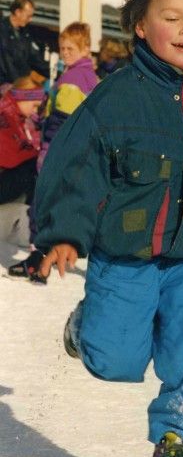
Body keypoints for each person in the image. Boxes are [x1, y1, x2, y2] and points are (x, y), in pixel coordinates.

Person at [33, 0, 183, 457]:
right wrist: (65, 234)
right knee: (116, 359)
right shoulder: (115, 97)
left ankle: (176, 443)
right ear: (141, 25)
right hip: (124, 252)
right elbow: (74, 170)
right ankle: (86, 328)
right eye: (172, 17)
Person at [8, 22, 98, 282]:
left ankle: (38, 261)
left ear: (85, 49)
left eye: (71, 48)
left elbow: (63, 122)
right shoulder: (87, 76)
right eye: (62, 48)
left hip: (56, 152)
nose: (65, 52)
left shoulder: (72, 80)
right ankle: (42, 260)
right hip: (76, 154)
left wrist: (47, 144)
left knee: (41, 205)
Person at [0, 76, 44, 205]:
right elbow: (10, 153)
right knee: (34, 168)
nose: (35, 111)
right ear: (23, 98)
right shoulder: (6, 116)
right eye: (34, 106)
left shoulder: (13, 113)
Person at [0, 0, 49, 86]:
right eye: (28, 16)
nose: (30, 20)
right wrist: (21, 86)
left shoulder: (25, 32)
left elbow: (35, 58)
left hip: (19, 84)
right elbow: (7, 65)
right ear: (18, 12)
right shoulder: (2, 31)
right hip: (6, 85)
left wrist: (57, 73)